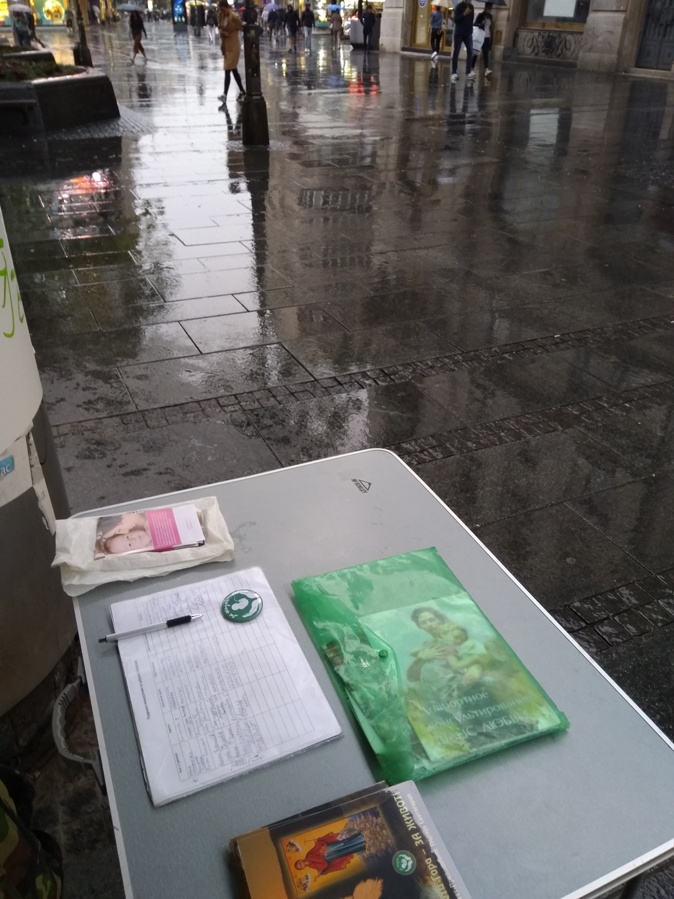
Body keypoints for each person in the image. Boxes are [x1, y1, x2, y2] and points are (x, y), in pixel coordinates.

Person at [294, 831, 365, 875]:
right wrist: (320, 870)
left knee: (343, 844)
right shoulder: (311, 865)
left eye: (299, 863)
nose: (301, 864)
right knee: (346, 851)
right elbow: (324, 865)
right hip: (329, 857)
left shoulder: (308, 855)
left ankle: (360, 836)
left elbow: (317, 847)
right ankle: (361, 845)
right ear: (303, 868)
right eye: (300, 866)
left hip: (328, 851)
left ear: (300, 860)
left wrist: (320, 847)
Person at [218, 0, 245, 104]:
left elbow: (242, 27)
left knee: (227, 70)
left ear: (227, 7)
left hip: (233, 47)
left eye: (223, 9)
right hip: (226, 46)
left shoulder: (234, 17)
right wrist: (222, 32)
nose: (222, 11)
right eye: (220, 10)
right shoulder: (221, 16)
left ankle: (224, 94)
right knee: (233, 70)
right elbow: (220, 27)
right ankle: (242, 91)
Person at [450, 0, 473, 83]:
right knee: (456, 52)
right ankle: (454, 72)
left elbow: (471, 20)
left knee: (470, 51)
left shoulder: (471, 7)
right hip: (459, 33)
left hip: (467, 34)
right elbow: (456, 20)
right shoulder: (459, 7)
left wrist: (470, 32)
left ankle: (468, 71)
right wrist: (464, 14)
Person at [474, 1, 493, 75]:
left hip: (487, 37)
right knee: (476, 52)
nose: (489, 9)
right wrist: (481, 23)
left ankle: (486, 69)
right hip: (480, 36)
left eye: (490, 8)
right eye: (488, 7)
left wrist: (491, 39)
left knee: (485, 53)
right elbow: (475, 24)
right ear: (485, 7)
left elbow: (491, 27)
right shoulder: (481, 15)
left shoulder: (490, 16)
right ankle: (471, 68)